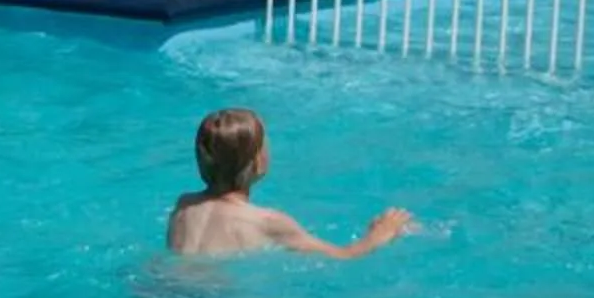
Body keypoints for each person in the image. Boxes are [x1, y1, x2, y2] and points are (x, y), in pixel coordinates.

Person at [167, 107, 416, 259]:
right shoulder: (268, 222)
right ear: (257, 162)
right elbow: (344, 256)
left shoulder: (184, 206)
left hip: (157, 287)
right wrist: (379, 234)